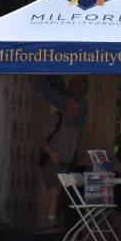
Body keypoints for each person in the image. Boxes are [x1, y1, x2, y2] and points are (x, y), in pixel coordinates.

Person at [40, 96, 81, 225]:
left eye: (77, 109)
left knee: (63, 196)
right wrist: (52, 153)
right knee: (55, 193)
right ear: (65, 107)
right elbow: (41, 139)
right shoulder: (56, 119)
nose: (75, 111)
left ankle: (56, 223)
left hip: (67, 164)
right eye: (72, 108)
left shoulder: (73, 124)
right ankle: (51, 223)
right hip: (54, 163)